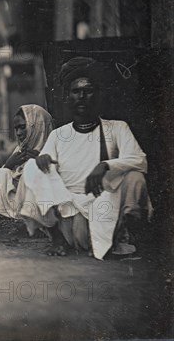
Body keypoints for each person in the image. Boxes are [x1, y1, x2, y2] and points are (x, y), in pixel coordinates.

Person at [18, 57, 153, 259]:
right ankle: (57, 240)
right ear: (68, 97)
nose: (82, 96)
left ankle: (123, 238)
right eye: (76, 91)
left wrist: (105, 165)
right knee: (32, 169)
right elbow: (46, 171)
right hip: (70, 214)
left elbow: (140, 160)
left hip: (106, 205)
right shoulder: (58, 135)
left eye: (88, 91)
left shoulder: (117, 128)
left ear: (98, 95)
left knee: (135, 177)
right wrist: (42, 161)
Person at [0, 105, 54, 233]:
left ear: (38, 126)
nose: (19, 133)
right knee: (3, 173)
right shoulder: (19, 151)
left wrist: (39, 160)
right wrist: (9, 164)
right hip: (16, 207)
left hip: (42, 208)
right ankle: (15, 219)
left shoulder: (52, 149)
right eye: (16, 129)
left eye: (23, 127)